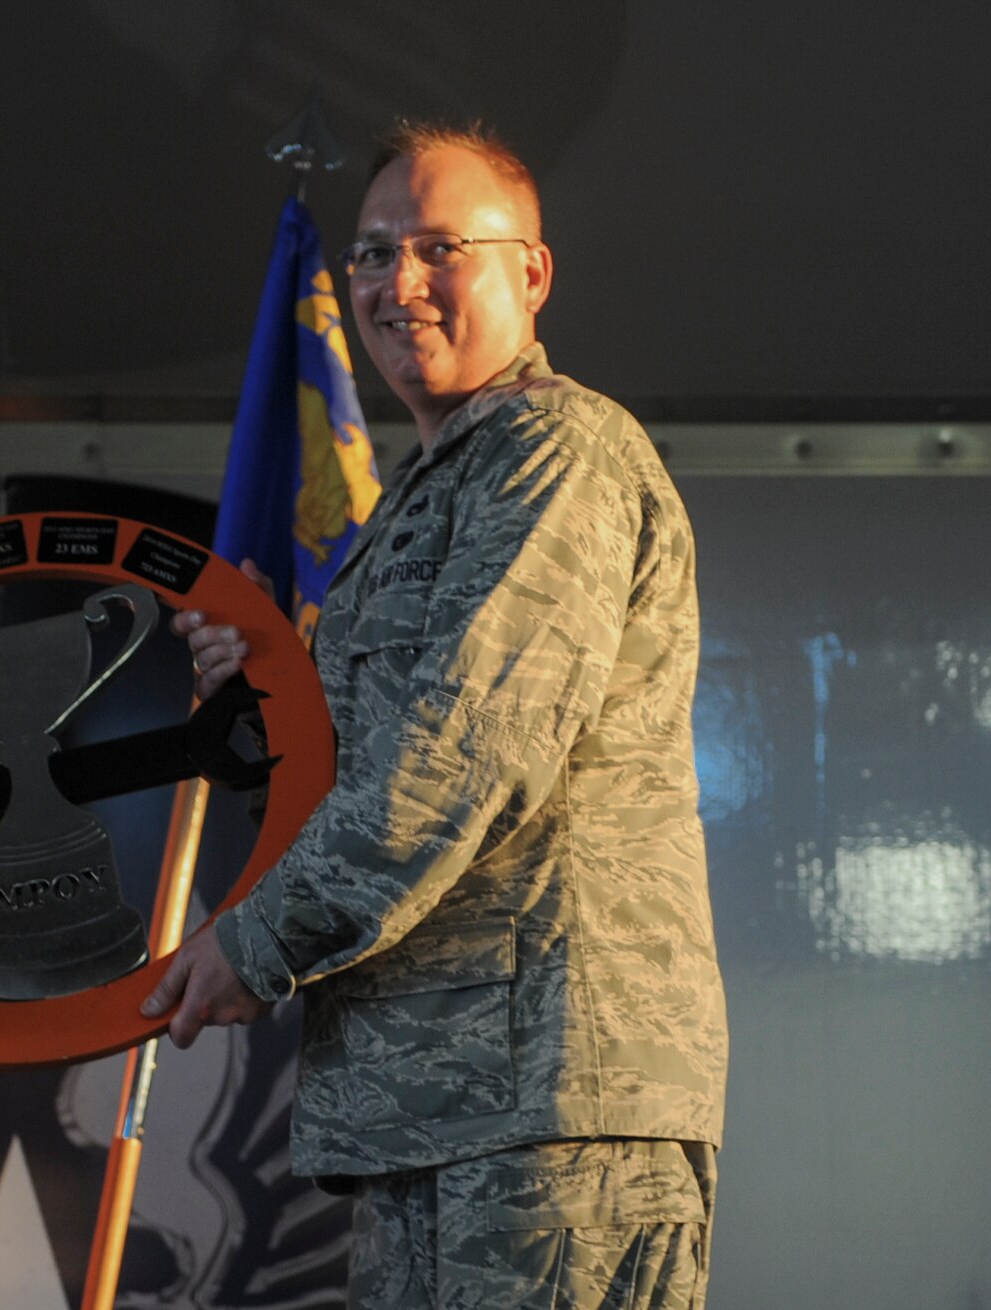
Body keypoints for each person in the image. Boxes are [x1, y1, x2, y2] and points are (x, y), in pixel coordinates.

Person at [146, 123, 728, 1308]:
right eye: (369, 255)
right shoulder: (429, 490)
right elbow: (362, 760)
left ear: (530, 272)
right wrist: (268, 694)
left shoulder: (554, 453)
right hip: (436, 1106)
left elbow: (465, 756)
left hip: (547, 1115)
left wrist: (254, 942)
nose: (394, 283)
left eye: (436, 247)